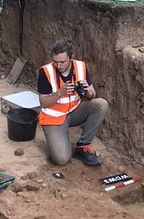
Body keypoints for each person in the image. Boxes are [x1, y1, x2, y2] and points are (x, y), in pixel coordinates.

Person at [38, 38, 108, 167]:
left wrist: (88, 92)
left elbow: (92, 93)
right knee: (61, 159)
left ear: (71, 57)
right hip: (54, 117)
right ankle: (59, 136)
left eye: (62, 62)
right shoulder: (46, 72)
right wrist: (60, 93)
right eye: (55, 62)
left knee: (101, 104)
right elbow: (43, 102)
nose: (59, 66)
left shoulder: (80, 67)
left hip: (74, 111)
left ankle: (82, 147)